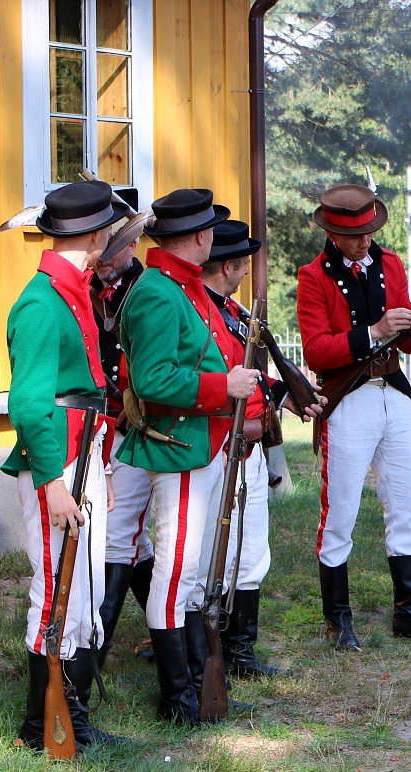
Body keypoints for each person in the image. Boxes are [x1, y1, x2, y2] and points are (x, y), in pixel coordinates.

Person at [117, 188, 262, 725]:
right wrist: (225, 386)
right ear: (201, 237)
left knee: (191, 573)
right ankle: (176, 698)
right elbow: (153, 381)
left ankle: (199, 686)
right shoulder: (159, 292)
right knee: (175, 573)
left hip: (203, 442)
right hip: (179, 447)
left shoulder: (182, 286)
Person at [2, 179, 128, 751]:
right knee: (56, 591)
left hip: (84, 457)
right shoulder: (40, 303)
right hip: (57, 464)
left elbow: (89, 390)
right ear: (95, 237)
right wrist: (53, 481)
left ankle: (70, 715)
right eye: (108, 232)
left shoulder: (73, 291)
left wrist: (100, 467)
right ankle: (40, 726)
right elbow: (30, 406)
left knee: (81, 593)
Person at [296, 184, 411, 650]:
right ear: (333, 234)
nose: (366, 241)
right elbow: (316, 350)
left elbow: (405, 340)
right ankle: (338, 620)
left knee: (407, 504)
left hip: (393, 394)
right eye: (355, 235)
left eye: (369, 232)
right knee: (339, 510)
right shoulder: (313, 276)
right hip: (348, 399)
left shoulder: (391, 264)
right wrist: (373, 331)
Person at [202, 220, 322, 675]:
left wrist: (286, 393)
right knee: (210, 554)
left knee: (251, 551)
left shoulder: (232, 311)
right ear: (229, 266)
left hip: (249, 443)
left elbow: (251, 373)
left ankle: (239, 653)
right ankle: (205, 653)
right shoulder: (200, 312)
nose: (246, 272)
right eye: (243, 264)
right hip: (218, 446)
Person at [89, 221, 155, 669]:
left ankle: (95, 650)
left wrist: (137, 407)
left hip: (138, 427)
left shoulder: (149, 291)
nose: (103, 259)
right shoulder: (87, 289)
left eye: (113, 249)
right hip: (99, 425)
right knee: (135, 540)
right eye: (101, 248)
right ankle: (172, 636)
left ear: (133, 245)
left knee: (118, 535)